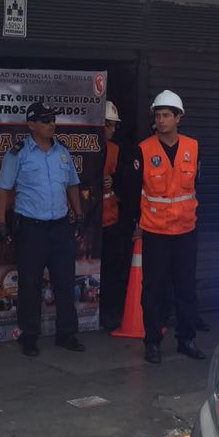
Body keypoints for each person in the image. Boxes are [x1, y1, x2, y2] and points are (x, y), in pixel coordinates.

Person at [0, 100, 84, 357]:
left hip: (60, 227)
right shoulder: (18, 153)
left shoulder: (62, 152)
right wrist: (1, 223)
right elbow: (3, 189)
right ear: (31, 124)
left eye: (53, 119)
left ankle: (67, 334)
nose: (51, 124)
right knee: (30, 285)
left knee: (65, 283)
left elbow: (72, 185)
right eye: (45, 120)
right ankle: (29, 336)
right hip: (32, 229)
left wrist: (79, 214)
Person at [134, 90, 205, 364]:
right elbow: (134, 191)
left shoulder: (194, 147)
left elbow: (197, 186)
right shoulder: (143, 149)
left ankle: (186, 339)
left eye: (166, 115)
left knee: (186, 288)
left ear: (179, 118)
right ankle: (152, 342)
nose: (161, 120)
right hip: (155, 232)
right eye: (158, 115)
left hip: (186, 230)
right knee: (153, 289)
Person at [98, 101, 133, 330]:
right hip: (88, 222)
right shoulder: (82, 148)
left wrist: (114, 183)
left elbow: (127, 182)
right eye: (109, 125)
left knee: (111, 270)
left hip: (110, 220)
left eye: (114, 126)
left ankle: (109, 313)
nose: (112, 130)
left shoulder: (116, 151)